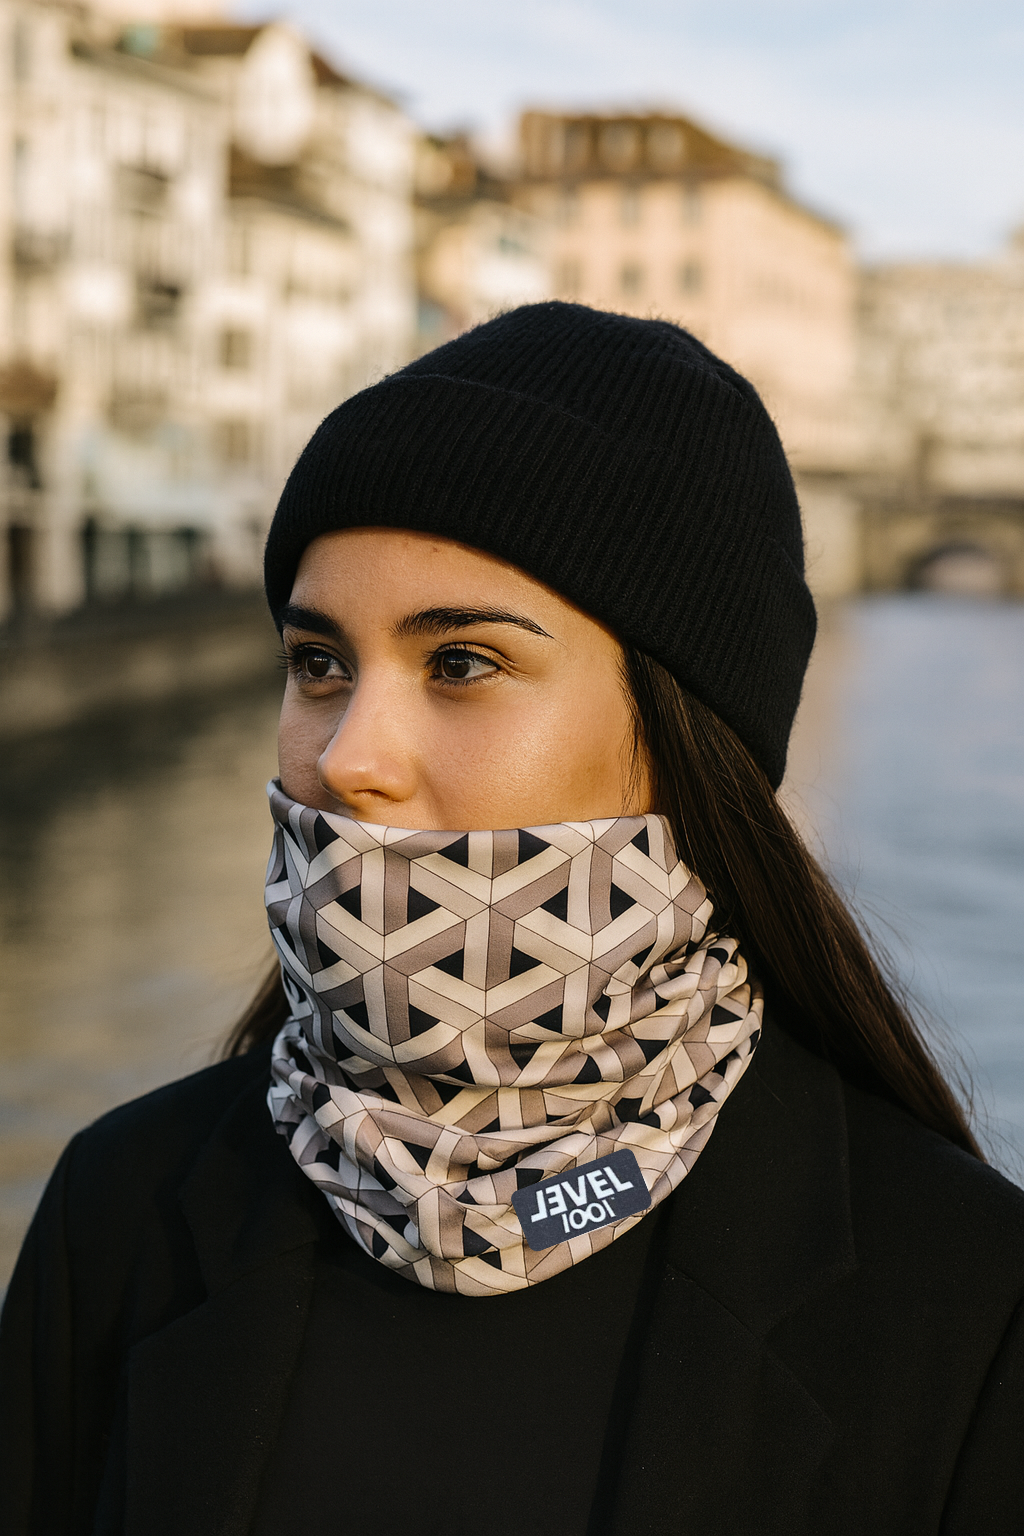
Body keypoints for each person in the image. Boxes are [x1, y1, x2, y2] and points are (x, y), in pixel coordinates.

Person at [2, 302, 1023, 1536]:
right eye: (320, 662)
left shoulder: (963, 1297)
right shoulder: (129, 1204)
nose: (349, 756)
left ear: (681, 735)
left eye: (462, 663)